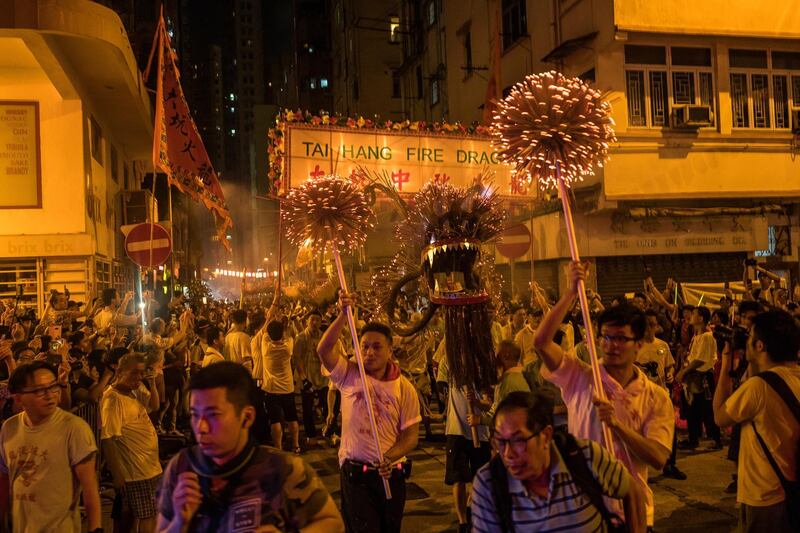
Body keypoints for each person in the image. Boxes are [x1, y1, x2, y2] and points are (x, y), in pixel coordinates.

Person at [533, 261, 674, 530]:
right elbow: (541, 343)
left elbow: (657, 458)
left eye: (621, 338)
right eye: (606, 338)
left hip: (633, 511)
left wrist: (617, 426)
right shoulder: (580, 377)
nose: (611, 346)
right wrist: (570, 294)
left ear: (639, 344)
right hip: (582, 510)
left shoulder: (655, 397)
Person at [157, 362, 343, 532]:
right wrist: (179, 523)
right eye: (195, 415)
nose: (201, 427)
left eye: (213, 415)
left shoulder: (282, 468)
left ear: (247, 417)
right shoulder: (182, 468)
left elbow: (332, 522)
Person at [317, 292, 421, 533]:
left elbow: (410, 437)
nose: (370, 352)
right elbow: (323, 350)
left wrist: (391, 456)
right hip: (356, 475)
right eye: (364, 346)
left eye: (377, 347)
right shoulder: (349, 374)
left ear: (390, 350)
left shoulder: (404, 388)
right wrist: (344, 316)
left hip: (390, 474)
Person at [470, 391, 646, 532]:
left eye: (518, 441)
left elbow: (633, 491)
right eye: (500, 441)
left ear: (545, 435)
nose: (508, 454)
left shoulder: (584, 456)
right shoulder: (489, 483)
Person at [713, 310, 800, 533]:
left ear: (760, 346)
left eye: (750, 336)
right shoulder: (793, 376)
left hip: (765, 496)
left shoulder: (758, 388)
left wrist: (725, 361)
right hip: (791, 490)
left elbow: (720, 417)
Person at [0, 362, 101, 533]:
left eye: (53, 387)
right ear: (18, 397)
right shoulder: (9, 428)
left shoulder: (74, 428)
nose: (50, 395)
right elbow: (4, 477)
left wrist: (95, 528)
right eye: (39, 390)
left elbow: (90, 487)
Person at [101, 353, 162, 533]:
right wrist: (117, 475)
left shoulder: (133, 392)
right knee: (148, 517)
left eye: (141, 373)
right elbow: (108, 438)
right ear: (119, 371)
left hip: (149, 468)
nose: (138, 378)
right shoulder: (112, 400)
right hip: (137, 472)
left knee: (135, 517)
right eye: (134, 373)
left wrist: (152, 383)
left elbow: (155, 406)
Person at [437, 353, 491, 533]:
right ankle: (462, 522)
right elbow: (441, 382)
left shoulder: (482, 369)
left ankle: (472, 509)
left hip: (479, 433)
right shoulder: (450, 363)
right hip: (456, 430)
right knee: (458, 479)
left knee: (479, 478)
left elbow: (489, 403)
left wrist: (476, 401)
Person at [638, 310, 686, 480]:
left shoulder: (662, 346)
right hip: (641, 397)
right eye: (645, 325)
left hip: (661, 394)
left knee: (669, 430)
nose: (648, 328)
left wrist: (671, 373)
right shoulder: (635, 346)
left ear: (657, 326)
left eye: (652, 324)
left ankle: (670, 465)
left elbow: (669, 366)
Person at [676, 306, 721, 450]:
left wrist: (683, 372)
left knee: (707, 409)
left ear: (701, 318)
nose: (689, 316)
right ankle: (693, 438)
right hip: (694, 375)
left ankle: (715, 439)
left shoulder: (707, 336)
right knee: (692, 409)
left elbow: (700, 359)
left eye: (693, 314)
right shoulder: (697, 335)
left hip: (702, 377)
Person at [261, 320, 300, 453]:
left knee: (275, 421)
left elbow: (266, 331)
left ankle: (278, 448)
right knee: (292, 417)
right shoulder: (288, 348)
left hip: (271, 389)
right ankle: (296, 445)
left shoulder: (266, 348)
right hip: (287, 389)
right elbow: (290, 335)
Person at [293, 311, 327, 445]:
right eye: (312, 320)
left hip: (322, 377)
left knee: (327, 405)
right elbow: (297, 359)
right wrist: (304, 378)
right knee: (307, 407)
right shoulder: (301, 338)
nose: (314, 323)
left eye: (317, 320)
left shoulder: (324, 337)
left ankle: (328, 430)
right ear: (307, 321)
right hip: (308, 377)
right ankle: (310, 434)